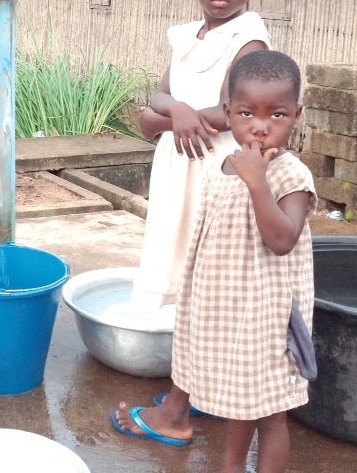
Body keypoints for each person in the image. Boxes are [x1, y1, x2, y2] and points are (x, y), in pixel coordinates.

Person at [113, 49, 317, 473]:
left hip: (267, 318)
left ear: (296, 115)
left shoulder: (290, 175)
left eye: (276, 115)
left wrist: (258, 182)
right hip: (227, 311)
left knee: (271, 415)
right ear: (228, 112)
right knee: (237, 407)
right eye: (247, 113)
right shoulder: (219, 165)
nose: (260, 127)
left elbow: (281, 239)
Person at [132, 0, 271, 310]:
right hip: (178, 159)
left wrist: (160, 121)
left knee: (208, 246)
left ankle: (205, 331)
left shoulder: (248, 39)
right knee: (169, 238)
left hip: (216, 162)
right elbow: (162, 93)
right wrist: (176, 110)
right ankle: (165, 327)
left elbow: (231, 111)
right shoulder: (186, 38)